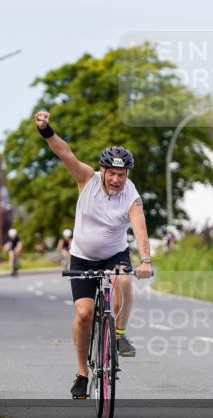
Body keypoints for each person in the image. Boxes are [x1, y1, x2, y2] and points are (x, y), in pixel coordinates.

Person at [33, 110, 154, 399]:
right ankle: (82, 374)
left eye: (121, 175)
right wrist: (46, 130)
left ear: (127, 175)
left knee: (123, 279)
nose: (116, 179)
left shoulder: (131, 195)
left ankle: (120, 336)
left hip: (114, 254)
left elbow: (140, 228)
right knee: (84, 314)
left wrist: (145, 260)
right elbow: (65, 153)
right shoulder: (86, 179)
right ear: (102, 171)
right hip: (82, 257)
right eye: (111, 173)